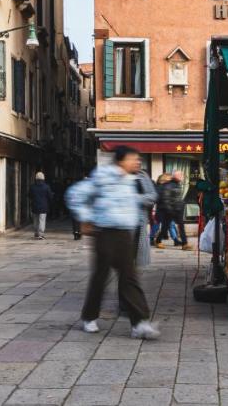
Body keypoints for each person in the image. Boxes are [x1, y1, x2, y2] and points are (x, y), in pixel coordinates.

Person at [67, 146, 160, 340]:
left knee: (129, 277)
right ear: (121, 161)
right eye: (133, 159)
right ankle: (89, 317)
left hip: (125, 234)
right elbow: (75, 194)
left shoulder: (131, 180)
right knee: (101, 276)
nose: (137, 162)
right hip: (105, 232)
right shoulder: (103, 176)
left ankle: (139, 323)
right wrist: (85, 218)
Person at [155, 172, 189, 249]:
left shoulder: (177, 184)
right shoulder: (169, 185)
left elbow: (177, 197)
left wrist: (181, 204)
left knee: (181, 226)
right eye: (180, 175)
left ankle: (185, 244)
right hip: (170, 210)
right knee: (165, 227)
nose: (182, 177)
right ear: (176, 176)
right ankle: (158, 241)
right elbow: (166, 198)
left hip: (177, 210)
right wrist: (169, 210)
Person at [30, 172, 52, 239]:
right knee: (42, 220)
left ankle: (36, 233)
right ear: (43, 178)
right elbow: (50, 196)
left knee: (35, 220)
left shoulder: (32, 187)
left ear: (36, 178)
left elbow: (29, 195)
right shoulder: (46, 187)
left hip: (35, 205)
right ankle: (41, 234)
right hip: (43, 206)